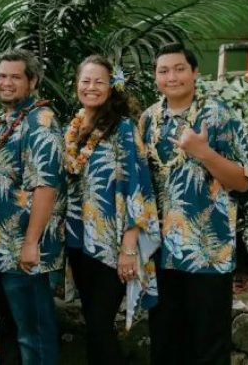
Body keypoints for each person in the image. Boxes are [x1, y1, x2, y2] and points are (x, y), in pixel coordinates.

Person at [140, 43, 248, 365]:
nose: (171, 77)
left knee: (209, 347)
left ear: (194, 73)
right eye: (163, 71)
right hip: (161, 253)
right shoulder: (148, 120)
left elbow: (242, 182)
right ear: (155, 77)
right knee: (165, 345)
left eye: (179, 69)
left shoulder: (218, 115)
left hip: (208, 251)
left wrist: (203, 152)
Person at [64, 55, 161, 364]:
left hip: (111, 241)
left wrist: (129, 245)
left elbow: (138, 183)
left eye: (99, 82)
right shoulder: (75, 125)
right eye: (85, 81)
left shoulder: (123, 129)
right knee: (93, 324)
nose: (91, 87)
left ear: (112, 87)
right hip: (78, 239)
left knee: (100, 324)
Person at [0, 49, 65, 365]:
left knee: (36, 339)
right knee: (19, 336)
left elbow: (46, 184)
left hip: (27, 253)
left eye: (15, 76)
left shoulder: (40, 120)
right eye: (2, 76)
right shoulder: (6, 121)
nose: (6, 82)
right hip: (3, 249)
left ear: (32, 81)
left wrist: (30, 243)